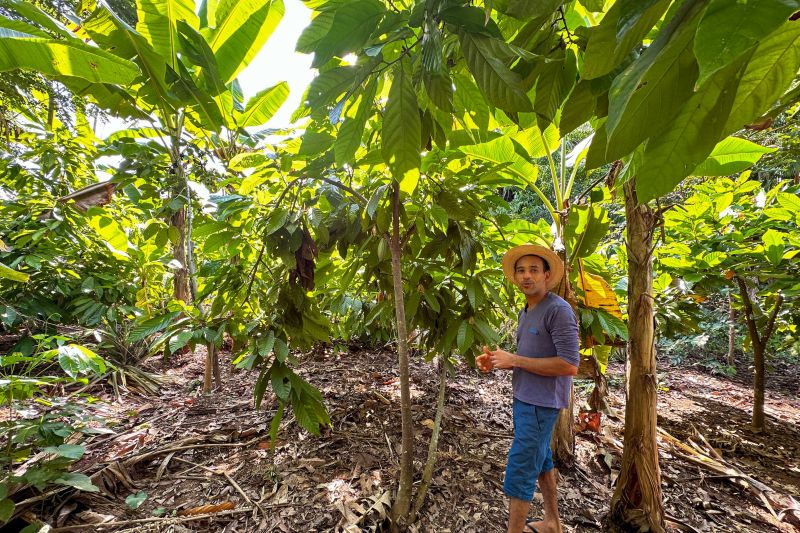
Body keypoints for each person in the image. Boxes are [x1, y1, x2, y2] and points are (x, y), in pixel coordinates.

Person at [476, 244, 579, 533]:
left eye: (534, 270)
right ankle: (552, 522)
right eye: (521, 270)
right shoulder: (527, 309)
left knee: (521, 469)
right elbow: (532, 357)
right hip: (525, 397)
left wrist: (516, 359)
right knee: (542, 459)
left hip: (541, 403)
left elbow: (570, 365)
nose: (526, 276)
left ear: (547, 275)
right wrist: (499, 361)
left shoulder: (558, 311)